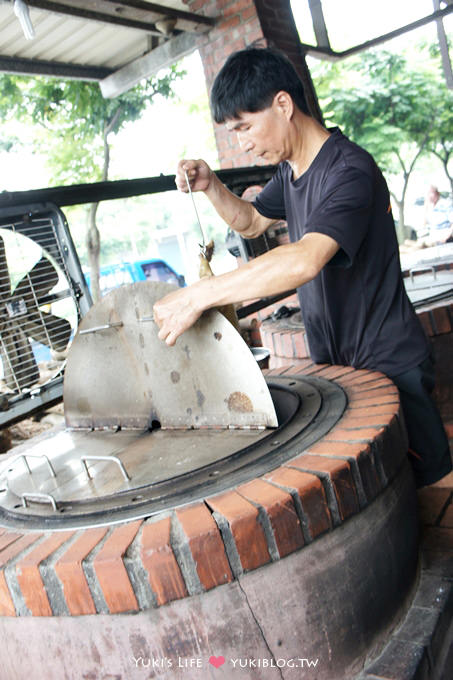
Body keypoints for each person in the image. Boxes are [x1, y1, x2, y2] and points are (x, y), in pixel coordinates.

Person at [153, 47, 452, 489]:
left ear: (283, 104)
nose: (244, 142)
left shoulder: (349, 169)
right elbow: (251, 220)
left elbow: (306, 258)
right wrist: (211, 185)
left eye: (245, 127)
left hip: (387, 358)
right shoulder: (293, 171)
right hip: (341, 362)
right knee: (387, 487)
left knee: (434, 486)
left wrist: (198, 295)